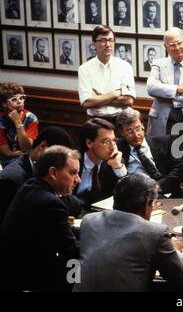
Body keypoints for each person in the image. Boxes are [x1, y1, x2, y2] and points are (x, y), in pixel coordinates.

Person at [73, 173, 183, 292]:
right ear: (148, 203)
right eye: (153, 204)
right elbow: (181, 278)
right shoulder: (155, 233)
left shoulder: (89, 221)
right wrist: (176, 250)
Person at [0, 145, 80, 291]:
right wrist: (75, 284)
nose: (78, 180)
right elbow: (70, 252)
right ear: (53, 173)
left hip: (10, 273)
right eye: (73, 173)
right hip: (28, 281)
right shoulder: (51, 203)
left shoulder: (29, 186)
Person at [146, 27, 183, 196]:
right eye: (171, 45)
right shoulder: (158, 64)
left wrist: (168, 98)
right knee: (161, 165)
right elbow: (151, 88)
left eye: (179, 43)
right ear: (165, 46)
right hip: (162, 124)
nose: (176, 48)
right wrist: (178, 89)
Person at [0, 127, 75, 223]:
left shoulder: (48, 173)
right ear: (43, 147)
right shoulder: (11, 180)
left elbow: (73, 204)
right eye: (60, 160)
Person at [116, 108, 183, 198]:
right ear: (121, 132)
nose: (136, 135)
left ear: (143, 126)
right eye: (130, 131)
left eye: (138, 129)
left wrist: (156, 187)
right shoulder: (117, 149)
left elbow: (180, 170)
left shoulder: (165, 142)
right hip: (136, 197)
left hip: (167, 194)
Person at [78, 25, 135, 124]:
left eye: (111, 40)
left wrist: (98, 97)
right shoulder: (84, 69)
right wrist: (115, 93)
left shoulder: (125, 67)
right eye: (103, 40)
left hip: (120, 121)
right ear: (94, 44)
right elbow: (87, 103)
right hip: (95, 121)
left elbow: (128, 100)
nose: (108, 44)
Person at [75, 118, 127, 209]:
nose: (112, 147)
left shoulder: (114, 162)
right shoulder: (73, 162)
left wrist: (118, 167)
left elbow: (129, 193)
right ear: (89, 143)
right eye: (106, 141)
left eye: (114, 140)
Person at [0, 82, 38, 167]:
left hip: (24, 159)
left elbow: (26, 148)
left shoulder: (31, 118)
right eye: (14, 99)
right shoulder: (1, 120)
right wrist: (17, 154)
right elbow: (6, 153)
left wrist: (18, 123)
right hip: (4, 160)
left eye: (22, 98)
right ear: (4, 104)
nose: (19, 102)